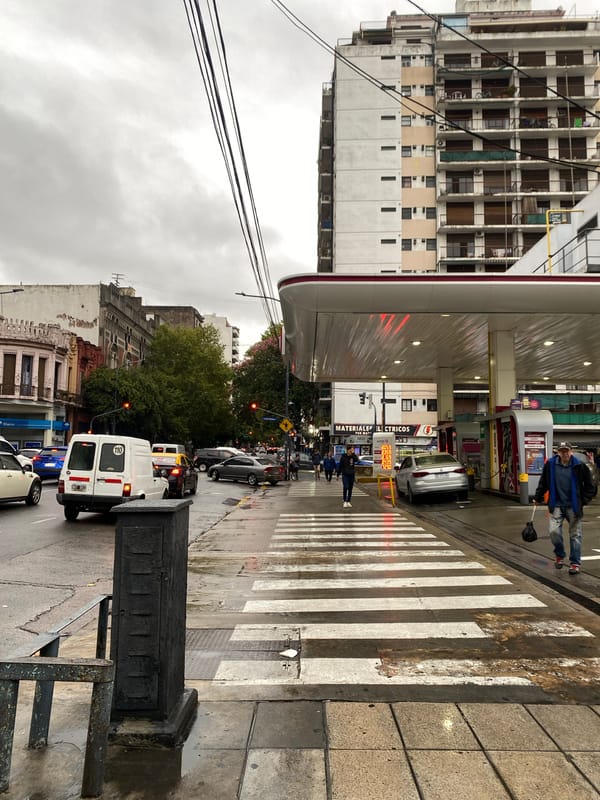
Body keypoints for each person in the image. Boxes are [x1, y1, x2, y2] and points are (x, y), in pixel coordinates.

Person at [533, 441, 594, 575]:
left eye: (567, 451)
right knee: (554, 532)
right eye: (562, 451)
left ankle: (574, 563)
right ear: (558, 452)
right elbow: (544, 482)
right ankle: (560, 555)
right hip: (557, 504)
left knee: (575, 535)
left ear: (571, 451)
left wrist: (583, 501)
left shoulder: (579, 466)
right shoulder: (551, 465)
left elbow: (590, 486)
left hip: (573, 506)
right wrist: (538, 497)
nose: (565, 453)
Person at [337, 443, 358, 508]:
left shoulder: (353, 457)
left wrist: (353, 454)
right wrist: (338, 475)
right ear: (347, 450)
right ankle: (345, 501)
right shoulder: (343, 457)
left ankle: (348, 501)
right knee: (346, 487)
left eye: (352, 450)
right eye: (350, 450)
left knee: (350, 488)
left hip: (351, 474)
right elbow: (340, 466)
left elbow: (357, 460)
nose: (351, 451)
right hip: (345, 475)